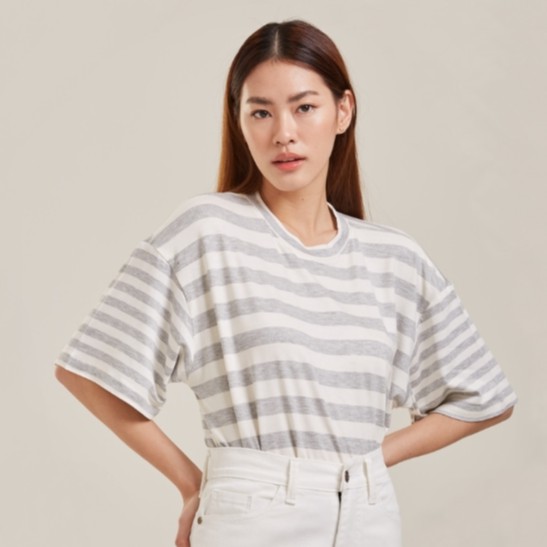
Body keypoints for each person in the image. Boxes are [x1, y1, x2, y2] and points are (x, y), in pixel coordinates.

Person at [54, 20, 516, 547]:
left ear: (343, 111)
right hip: (253, 514)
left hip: (367, 514)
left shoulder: (394, 258)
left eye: (304, 107)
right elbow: (90, 370)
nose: (283, 133)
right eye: (261, 112)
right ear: (239, 121)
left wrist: (369, 459)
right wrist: (193, 483)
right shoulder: (207, 232)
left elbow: (486, 396)